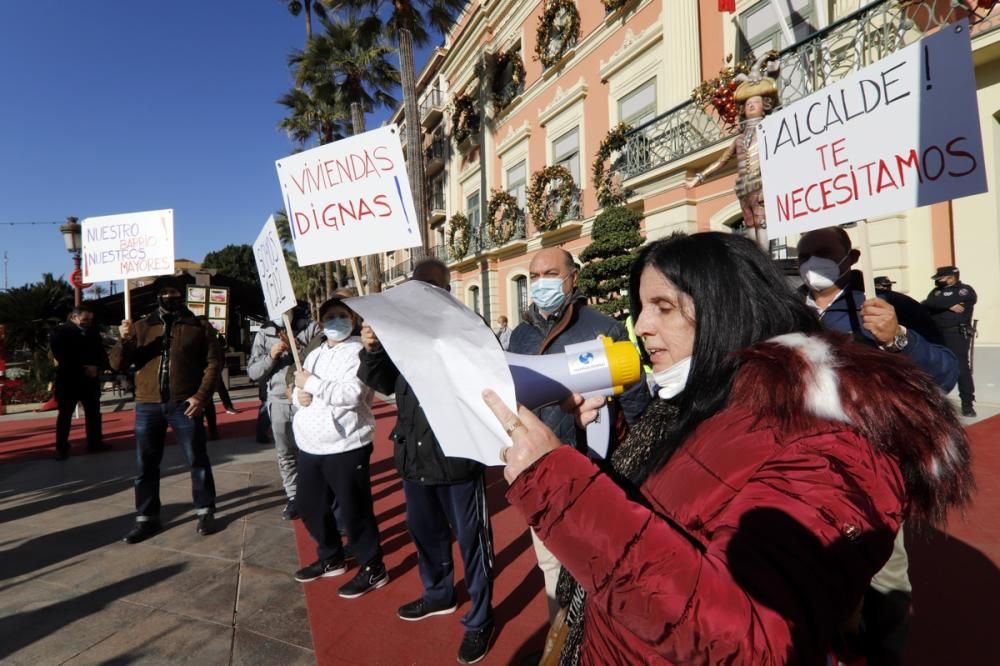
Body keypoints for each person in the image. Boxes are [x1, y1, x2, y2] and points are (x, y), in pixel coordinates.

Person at [482, 232, 973, 664]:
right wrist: (594, 456)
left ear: (724, 307)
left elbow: (754, 639)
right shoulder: (702, 393)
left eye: (664, 307)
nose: (642, 326)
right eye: (641, 308)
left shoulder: (830, 437)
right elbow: (667, 504)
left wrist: (557, 484)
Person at [357, 258, 495, 665]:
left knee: (474, 545)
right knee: (425, 534)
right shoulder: (403, 333)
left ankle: (480, 619)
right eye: (414, 287)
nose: (419, 294)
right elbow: (384, 383)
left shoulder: (469, 330)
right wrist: (373, 350)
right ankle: (438, 594)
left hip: (458, 460)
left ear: (445, 289)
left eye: (429, 286)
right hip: (414, 459)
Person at [507, 247, 650, 621]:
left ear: (573, 278)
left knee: (599, 567)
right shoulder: (520, 336)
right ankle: (560, 640)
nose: (540, 284)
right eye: (534, 276)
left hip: (595, 473)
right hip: (542, 473)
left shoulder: (605, 328)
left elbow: (636, 405)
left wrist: (643, 466)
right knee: (551, 565)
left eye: (550, 274)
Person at [290, 296, 388, 599]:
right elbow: (298, 388)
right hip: (309, 445)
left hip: (346, 444)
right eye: (329, 317)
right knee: (309, 506)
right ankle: (331, 555)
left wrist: (312, 386)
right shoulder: (312, 354)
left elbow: (353, 394)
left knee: (355, 511)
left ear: (353, 319)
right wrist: (298, 396)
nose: (336, 322)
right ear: (320, 322)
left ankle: (373, 567)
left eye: (342, 316)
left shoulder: (359, 350)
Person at [111, 276, 222, 543]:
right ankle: (146, 518)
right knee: (145, 465)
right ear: (157, 296)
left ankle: (205, 510)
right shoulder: (140, 327)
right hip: (148, 404)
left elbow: (214, 363)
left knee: (197, 459)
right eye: (165, 292)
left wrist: (200, 397)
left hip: (184, 403)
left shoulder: (198, 325)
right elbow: (117, 365)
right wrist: (124, 341)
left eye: (174, 292)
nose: (170, 296)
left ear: (181, 295)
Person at [248, 316, 305, 520]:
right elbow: (253, 372)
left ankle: (315, 493)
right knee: (285, 453)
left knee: (309, 453)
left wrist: (298, 350)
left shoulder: (309, 327)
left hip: (306, 399)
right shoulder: (264, 333)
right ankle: (293, 496)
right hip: (277, 401)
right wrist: (271, 356)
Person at [49, 303, 110, 460]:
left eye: (90, 319)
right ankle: (61, 447)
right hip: (69, 380)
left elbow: (101, 353)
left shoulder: (94, 332)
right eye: (84, 319)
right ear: (74, 317)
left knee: (93, 413)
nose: (88, 322)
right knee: (65, 415)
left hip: (90, 381)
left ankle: (95, 443)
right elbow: (61, 355)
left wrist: (97, 367)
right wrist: (84, 367)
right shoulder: (59, 332)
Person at [924, 265, 978, 417]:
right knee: (934, 367)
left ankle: (967, 404)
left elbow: (965, 299)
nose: (938, 281)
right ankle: (936, 403)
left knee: (961, 369)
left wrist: (939, 304)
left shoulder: (964, 290)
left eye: (941, 278)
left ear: (951, 277)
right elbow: (926, 303)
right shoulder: (936, 291)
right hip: (937, 335)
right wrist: (948, 305)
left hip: (956, 334)